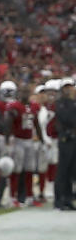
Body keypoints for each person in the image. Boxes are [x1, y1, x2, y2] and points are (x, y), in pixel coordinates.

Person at [55, 78, 76, 210]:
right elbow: (65, 118)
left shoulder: (73, 102)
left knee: (72, 170)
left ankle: (68, 199)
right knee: (63, 170)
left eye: (70, 86)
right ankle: (59, 200)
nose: (68, 89)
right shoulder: (60, 103)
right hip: (65, 138)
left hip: (74, 138)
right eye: (66, 87)